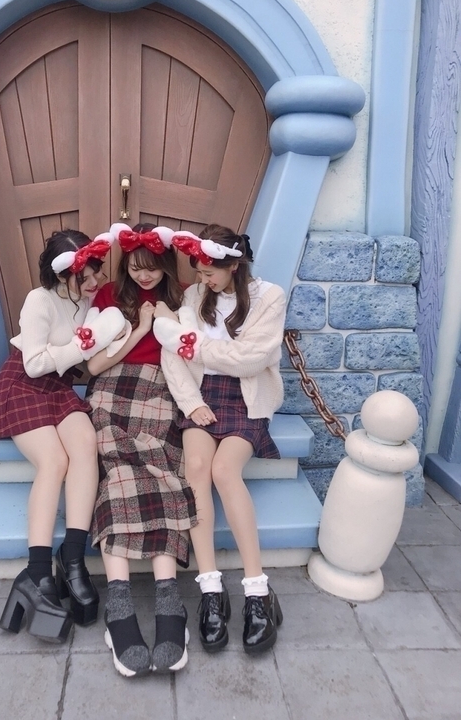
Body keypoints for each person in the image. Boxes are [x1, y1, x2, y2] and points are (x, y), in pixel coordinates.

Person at [0, 229, 127, 641]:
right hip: (22, 385)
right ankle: (37, 572)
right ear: (62, 275)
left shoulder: (90, 302)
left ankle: (73, 557)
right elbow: (35, 364)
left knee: (86, 443)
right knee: (54, 461)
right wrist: (85, 345)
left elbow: (87, 358)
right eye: (84, 277)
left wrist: (119, 332)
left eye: (96, 273)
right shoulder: (38, 301)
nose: (93, 283)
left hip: (58, 389)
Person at [154, 224, 285, 655]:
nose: (202, 279)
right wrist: (191, 403)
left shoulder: (270, 297)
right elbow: (172, 354)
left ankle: (257, 590)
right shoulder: (194, 296)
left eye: (210, 272)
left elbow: (251, 360)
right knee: (195, 469)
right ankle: (210, 589)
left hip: (247, 399)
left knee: (225, 471)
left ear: (234, 266)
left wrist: (195, 347)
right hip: (201, 396)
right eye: (199, 271)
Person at [86, 222, 197, 677]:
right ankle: (119, 605)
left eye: (152, 267)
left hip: (162, 390)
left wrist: (170, 318)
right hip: (111, 391)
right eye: (135, 267)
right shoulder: (109, 296)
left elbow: (192, 353)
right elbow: (94, 365)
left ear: (165, 264)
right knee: (117, 475)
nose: (144, 276)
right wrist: (141, 329)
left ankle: (170, 600)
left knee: (163, 470)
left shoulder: (184, 297)